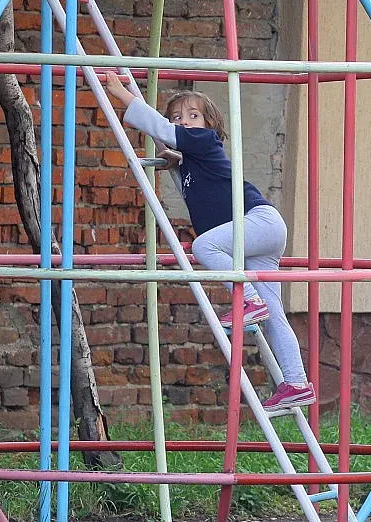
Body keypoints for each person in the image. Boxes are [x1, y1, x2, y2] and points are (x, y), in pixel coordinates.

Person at [104, 72, 316, 411]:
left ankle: (248, 301)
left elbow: (160, 128)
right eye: (178, 117)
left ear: (209, 125)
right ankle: (296, 382)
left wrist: (121, 94)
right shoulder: (191, 158)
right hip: (261, 233)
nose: (184, 123)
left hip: (258, 221)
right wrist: (174, 158)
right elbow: (173, 144)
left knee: (203, 246)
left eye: (193, 116)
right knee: (275, 313)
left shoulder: (203, 141)